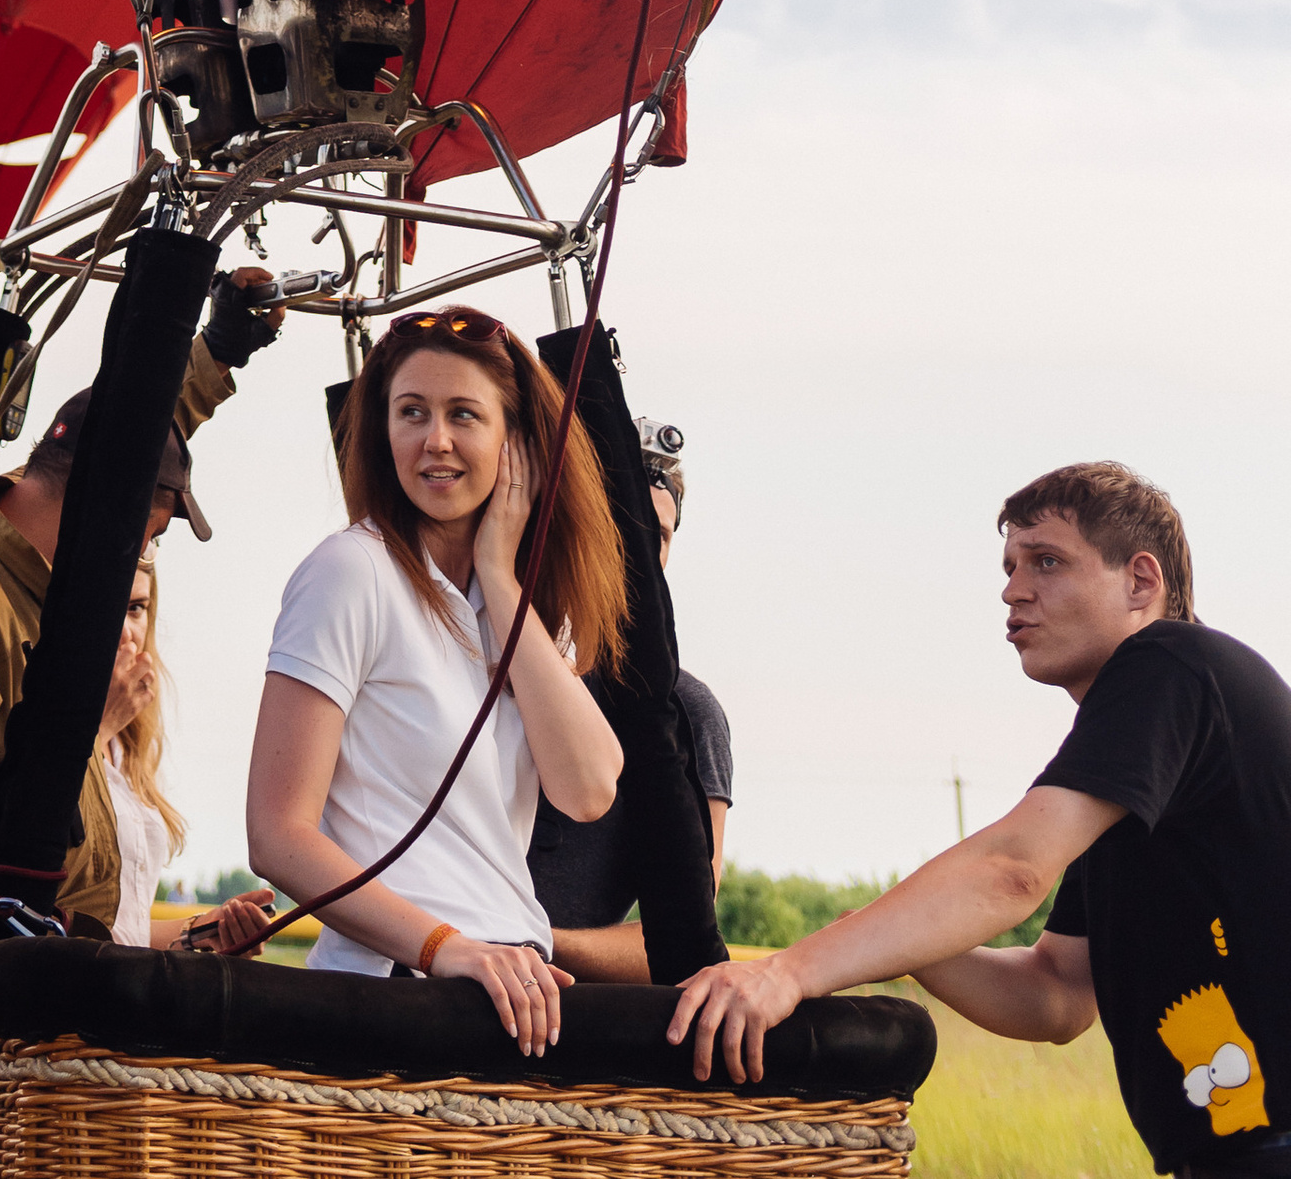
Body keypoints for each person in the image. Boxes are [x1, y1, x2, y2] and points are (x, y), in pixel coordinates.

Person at [669, 461, 1291, 1176]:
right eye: (1009, 566)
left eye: (1047, 562)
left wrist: (788, 973)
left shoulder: (1170, 665)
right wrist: (901, 941)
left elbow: (1012, 870)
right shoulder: (1134, 769)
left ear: (1141, 582)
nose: (1013, 589)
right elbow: (1056, 994)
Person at [0, 266, 281, 935]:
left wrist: (215, 351)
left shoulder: (7, 504)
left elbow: (125, 440)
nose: (142, 559)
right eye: (148, 536)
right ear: (107, 512)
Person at [246, 305, 627, 1057]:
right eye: (411, 413)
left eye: (464, 415)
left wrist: (500, 574)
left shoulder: (519, 607)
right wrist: (444, 946)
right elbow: (277, 834)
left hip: (511, 991)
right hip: (396, 991)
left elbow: (589, 790)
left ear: (515, 446)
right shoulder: (351, 571)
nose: (436, 441)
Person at [530, 445, 732, 977]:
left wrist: (524, 941)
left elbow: (684, 940)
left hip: (557, 1015)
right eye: (620, 522)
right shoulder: (487, 664)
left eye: (657, 535)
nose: (638, 549)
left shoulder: (689, 712)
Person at [97, 556, 275, 953]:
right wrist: (98, 728)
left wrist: (200, 931)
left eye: (137, 609)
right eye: (108, 604)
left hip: (120, 999)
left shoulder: (130, 746)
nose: (126, 633)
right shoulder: (38, 726)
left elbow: (126, 930)